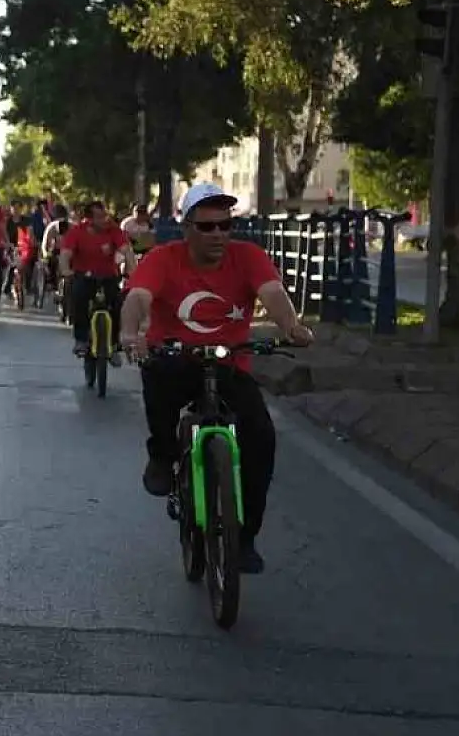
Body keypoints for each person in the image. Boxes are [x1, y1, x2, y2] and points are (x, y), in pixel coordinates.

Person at [119, 183, 314, 574]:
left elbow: (272, 292)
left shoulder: (248, 257)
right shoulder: (163, 258)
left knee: (260, 437)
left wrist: (290, 326)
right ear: (186, 228)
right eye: (207, 227)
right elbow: (138, 297)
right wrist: (130, 334)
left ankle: (245, 540)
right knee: (158, 387)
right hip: (173, 358)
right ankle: (161, 457)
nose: (219, 235)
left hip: (229, 365)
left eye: (226, 225)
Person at [58, 201, 135, 356]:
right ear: (89, 219)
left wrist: (133, 273)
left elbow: (127, 252)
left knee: (118, 303)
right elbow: (65, 255)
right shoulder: (76, 232)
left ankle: (113, 343)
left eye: (105, 215)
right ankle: (81, 340)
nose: (104, 220)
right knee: (78, 297)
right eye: (99, 217)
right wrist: (66, 271)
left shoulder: (113, 230)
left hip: (108, 275)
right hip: (83, 275)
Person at [39, 202, 73, 304]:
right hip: (55, 251)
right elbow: (45, 244)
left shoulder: (73, 226)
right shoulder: (52, 227)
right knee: (51, 262)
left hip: (69, 252)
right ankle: (51, 283)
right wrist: (45, 254)